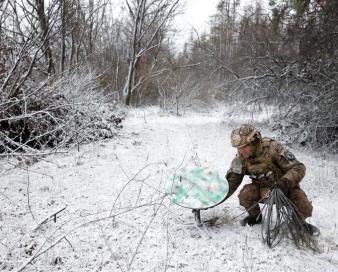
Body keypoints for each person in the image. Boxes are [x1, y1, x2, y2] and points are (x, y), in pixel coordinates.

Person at [225, 124, 318, 235]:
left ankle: (298, 223)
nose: (241, 151)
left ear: (254, 142)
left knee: (304, 205)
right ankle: (255, 217)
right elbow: (231, 182)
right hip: (262, 190)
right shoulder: (240, 158)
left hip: (284, 187)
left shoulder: (273, 148)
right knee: (245, 194)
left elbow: (298, 167)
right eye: (238, 148)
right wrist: (214, 199)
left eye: (244, 146)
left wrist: (285, 182)